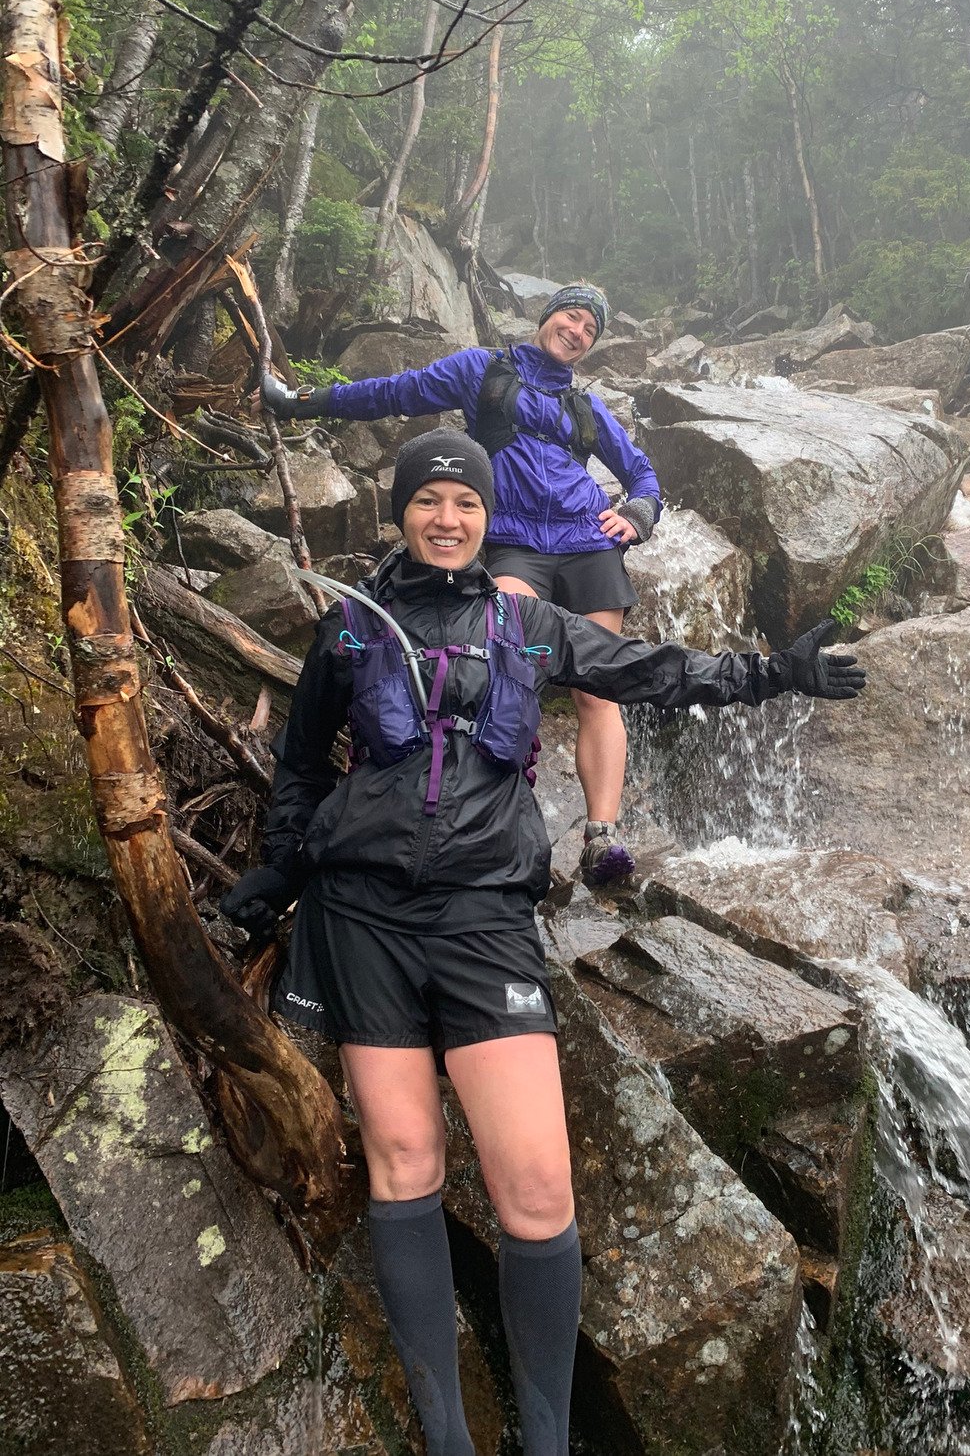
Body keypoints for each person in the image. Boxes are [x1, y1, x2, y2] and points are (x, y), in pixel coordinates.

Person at [221, 429, 865, 1456]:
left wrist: (767, 674)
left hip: (481, 917)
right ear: (400, 512)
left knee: (534, 1188)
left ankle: (547, 1439)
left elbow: (650, 668)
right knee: (403, 1164)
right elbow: (300, 769)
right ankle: (446, 1437)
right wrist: (279, 871)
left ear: (488, 518)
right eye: (427, 499)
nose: (445, 517)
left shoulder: (526, 622)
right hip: (363, 921)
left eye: (463, 502)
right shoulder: (350, 628)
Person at [261, 284, 657, 885]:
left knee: (598, 691)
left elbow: (643, 474)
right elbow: (395, 392)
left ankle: (603, 839)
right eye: (571, 318)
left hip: (588, 545)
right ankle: (489, 813)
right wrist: (303, 402)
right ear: (547, 316)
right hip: (514, 543)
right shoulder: (483, 370)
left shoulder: (587, 409)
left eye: (589, 331)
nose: (576, 332)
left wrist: (638, 513)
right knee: (498, 666)